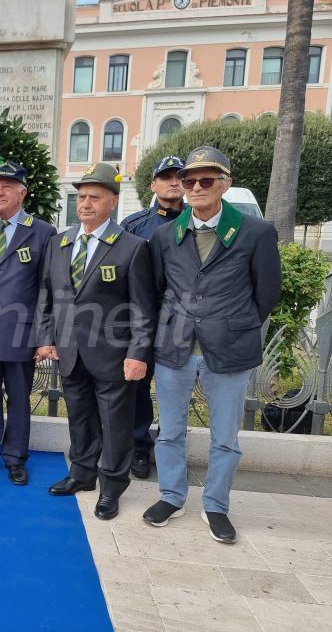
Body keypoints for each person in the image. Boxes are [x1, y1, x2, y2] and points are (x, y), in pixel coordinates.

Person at [144, 146, 281, 544]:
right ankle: (171, 496)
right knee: (169, 432)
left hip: (230, 349)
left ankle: (216, 505)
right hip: (176, 347)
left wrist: (234, 325)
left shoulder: (256, 231)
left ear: (226, 184)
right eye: (190, 181)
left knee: (225, 437)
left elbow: (267, 292)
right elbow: (157, 290)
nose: (197, 187)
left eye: (207, 180)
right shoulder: (165, 235)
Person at [36, 162, 155, 520]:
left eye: (95, 197)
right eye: (82, 197)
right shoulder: (60, 242)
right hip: (70, 352)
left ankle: (112, 487)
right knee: (80, 418)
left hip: (113, 355)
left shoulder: (132, 247)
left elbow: (143, 308)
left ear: (112, 202)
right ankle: (82, 474)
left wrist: (138, 354)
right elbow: (48, 294)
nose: (85, 203)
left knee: (116, 424)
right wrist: (45, 338)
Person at [0, 161, 55, 485]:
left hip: (21, 334)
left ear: (22, 192)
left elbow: (48, 288)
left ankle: (16, 458)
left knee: (18, 400)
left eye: (6, 186)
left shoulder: (42, 232)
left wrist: (44, 335)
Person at [120, 155, 186, 479]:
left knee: (177, 391)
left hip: (184, 323)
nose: (173, 182)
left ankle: (173, 450)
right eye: (166, 177)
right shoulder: (134, 225)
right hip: (143, 322)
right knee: (138, 388)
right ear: (153, 184)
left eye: (179, 176)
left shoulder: (198, 222)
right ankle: (139, 448)